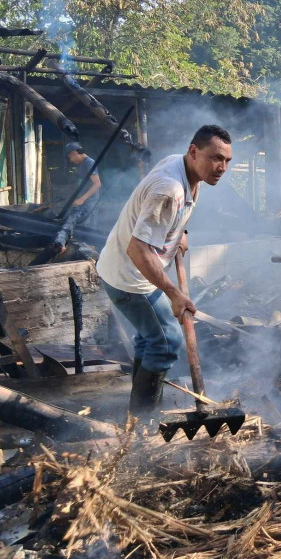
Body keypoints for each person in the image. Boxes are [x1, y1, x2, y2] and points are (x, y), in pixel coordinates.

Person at [97, 125, 232, 415]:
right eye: (215, 158)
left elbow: (165, 217)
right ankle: (144, 420)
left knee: (149, 338)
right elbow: (138, 249)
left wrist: (179, 232)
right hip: (129, 277)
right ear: (194, 151)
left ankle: (135, 417)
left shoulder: (184, 167)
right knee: (167, 341)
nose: (221, 167)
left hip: (121, 267)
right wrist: (173, 294)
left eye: (227, 161)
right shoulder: (169, 190)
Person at [64, 141, 102, 220]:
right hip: (85, 202)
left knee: (88, 228)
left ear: (74, 153)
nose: (71, 161)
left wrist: (82, 199)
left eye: (70, 157)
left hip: (91, 203)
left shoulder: (89, 163)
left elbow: (97, 184)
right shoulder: (82, 164)